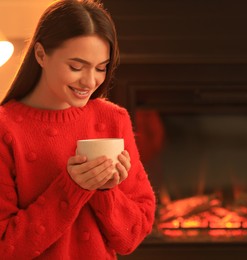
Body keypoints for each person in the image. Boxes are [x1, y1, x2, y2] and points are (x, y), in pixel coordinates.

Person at [0, 0, 156, 259]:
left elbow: (132, 237)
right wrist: (73, 187)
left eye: (101, 68)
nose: (90, 81)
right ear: (40, 55)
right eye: (76, 66)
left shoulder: (113, 119)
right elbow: (5, 247)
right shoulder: (5, 128)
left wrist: (105, 191)